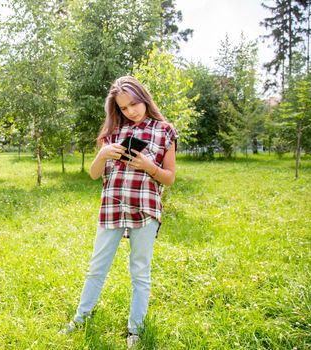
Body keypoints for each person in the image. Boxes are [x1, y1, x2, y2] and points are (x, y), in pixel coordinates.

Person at [64, 76, 178, 348]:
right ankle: (81, 318)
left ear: (144, 98)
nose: (131, 111)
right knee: (97, 267)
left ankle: (135, 330)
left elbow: (169, 177)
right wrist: (102, 154)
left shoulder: (165, 131)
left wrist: (147, 166)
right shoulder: (111, 134)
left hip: (145, 209)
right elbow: (94, 175)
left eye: (134, 104)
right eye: (124, 108)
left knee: (140, 271)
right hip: (112, 208)